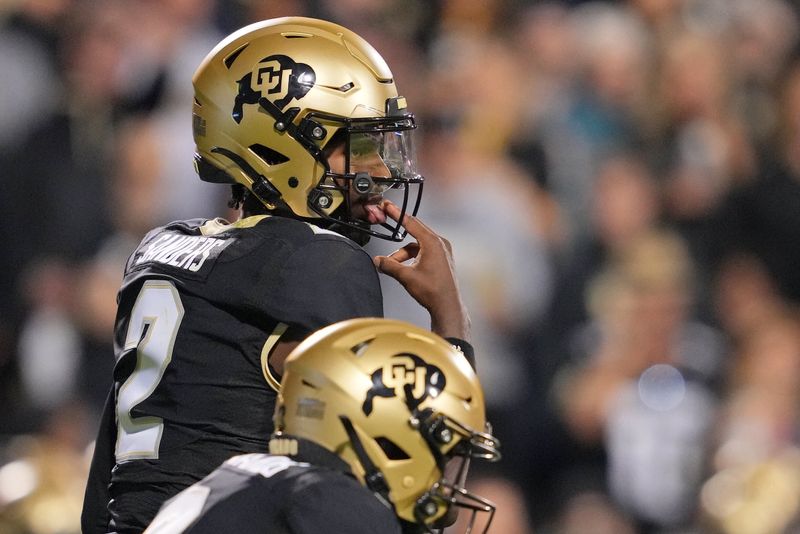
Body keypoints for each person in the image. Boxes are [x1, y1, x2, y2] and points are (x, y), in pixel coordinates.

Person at [82, 16, 473, 534]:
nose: (378, 169)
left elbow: (104, 488)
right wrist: (452, 322)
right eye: (356, 145)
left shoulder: (158, 250)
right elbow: (415, 493)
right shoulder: (320, 263)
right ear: (279, 145)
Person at [143, 318, 501, 534]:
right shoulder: (334, 501)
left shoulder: (246, 474)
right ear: (391, 439)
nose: (448, 482)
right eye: (445, 451)